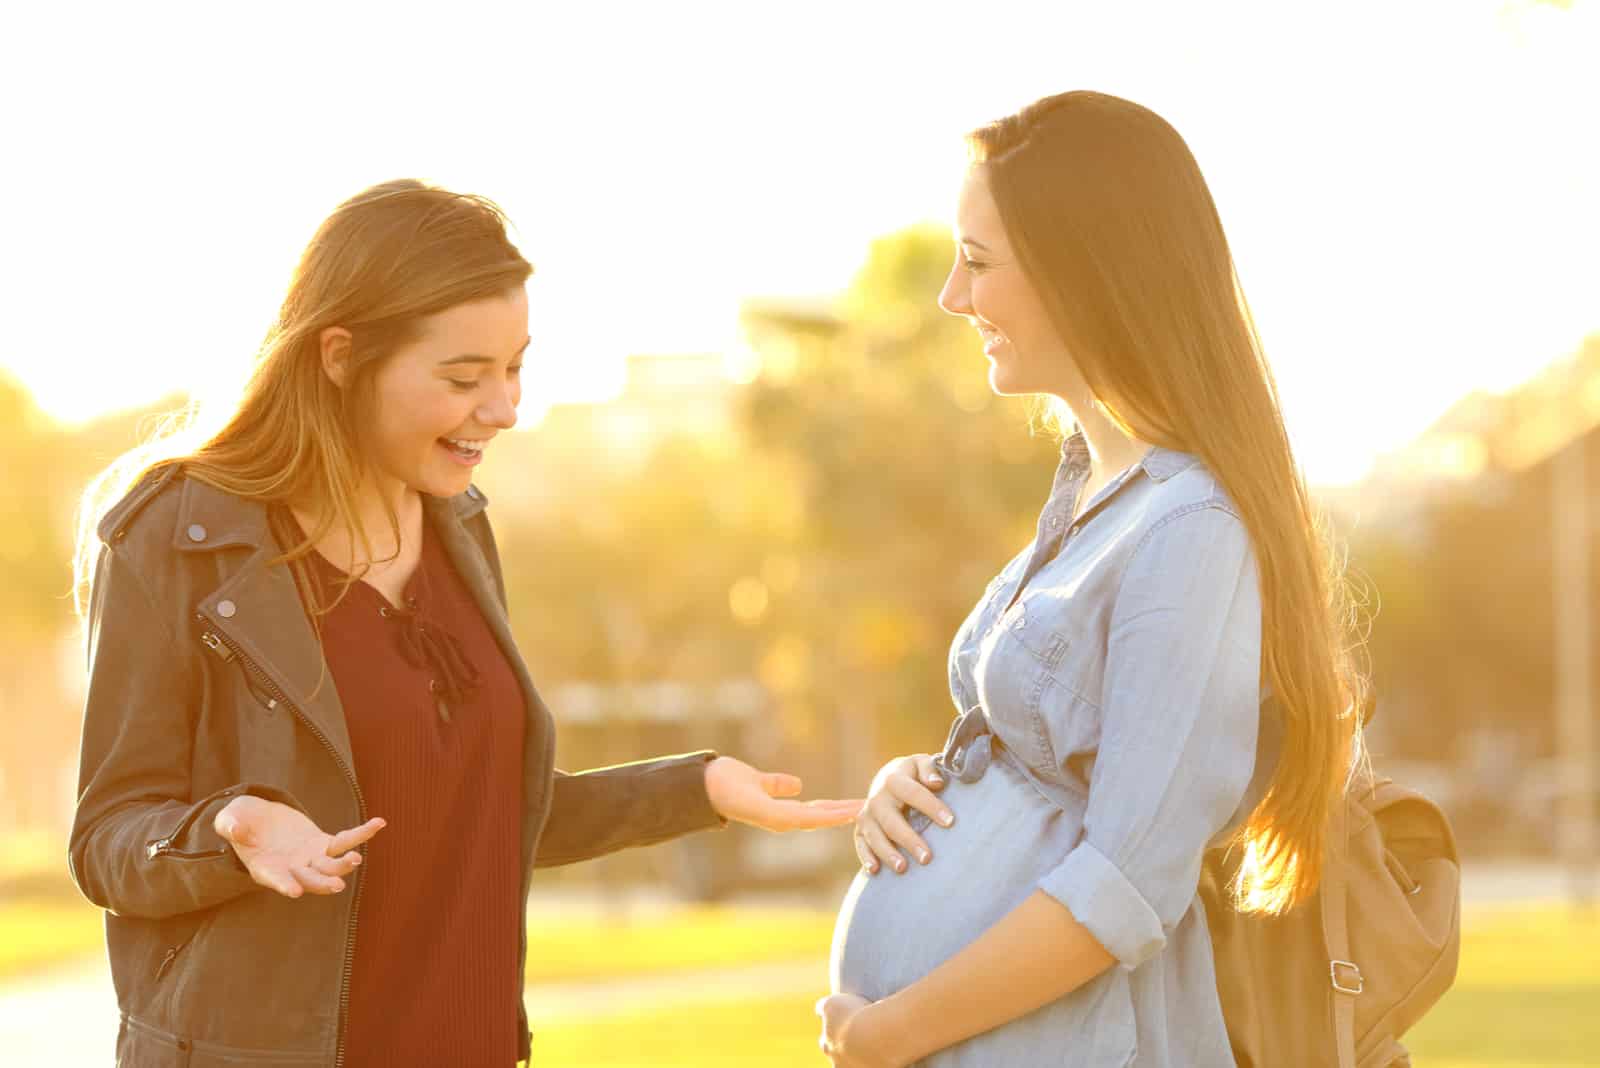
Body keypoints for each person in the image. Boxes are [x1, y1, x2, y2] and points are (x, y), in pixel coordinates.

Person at [68, 179, 862, 1068]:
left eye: (516, 366)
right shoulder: (182, 535)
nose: (505, 407)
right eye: (464, 377)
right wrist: (229, 828)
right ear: (339, 355)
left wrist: (700, 786)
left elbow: (483, 814)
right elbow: (106, 841)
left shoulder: (459, 528)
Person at [819, 91, 1369, 1066]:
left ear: (1087, 277)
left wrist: (892, 1033)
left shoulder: (1191, 527)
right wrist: (923, 785)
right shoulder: (1096, 491)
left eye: (978, 263)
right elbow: (1056, 776)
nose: (952, 297)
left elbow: (1128, 878)